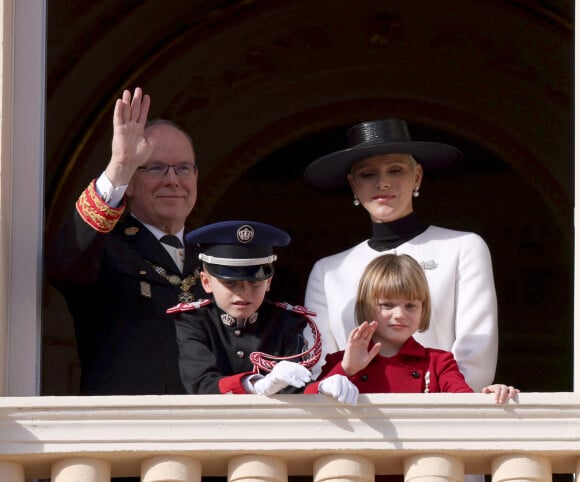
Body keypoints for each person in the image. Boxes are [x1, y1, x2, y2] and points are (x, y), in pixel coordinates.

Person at [303, 119, 498, 391]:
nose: (383, 183)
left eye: (395, 170)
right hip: (355, 418)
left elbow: (476, 351)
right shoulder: (328, 271)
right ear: (353, 185)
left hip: (442, 415)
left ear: (417, 176)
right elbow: (321, 363)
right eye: (368, 174)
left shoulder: (463, 247)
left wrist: (450, 410)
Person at [46, 87, 205, 396]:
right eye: (156, 168)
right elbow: (64, 265)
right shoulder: (106, 249)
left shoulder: (215, 259)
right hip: (126, 432)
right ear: (130, 183)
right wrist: (120, 164)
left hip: (213, 432)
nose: (172, 179)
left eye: (183, 168)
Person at [305, 253, 517, 405]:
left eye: (410, 306)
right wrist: (347, 369)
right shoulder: (340, 361)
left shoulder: (439, 362)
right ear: (367, 308)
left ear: (423, 310)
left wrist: (491, 395)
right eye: (387, 305)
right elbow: (307, 403)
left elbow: (465, 402)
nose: (400, 314)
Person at [169, 220, 321, 395]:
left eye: (255, 282)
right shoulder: (194, 320)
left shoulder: (287, 321)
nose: (243, 292)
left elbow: (297, 387)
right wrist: (252, 384)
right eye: (230, 283)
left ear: (268, 282)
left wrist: (324, 386)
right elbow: (200, 383)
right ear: (206, 282)